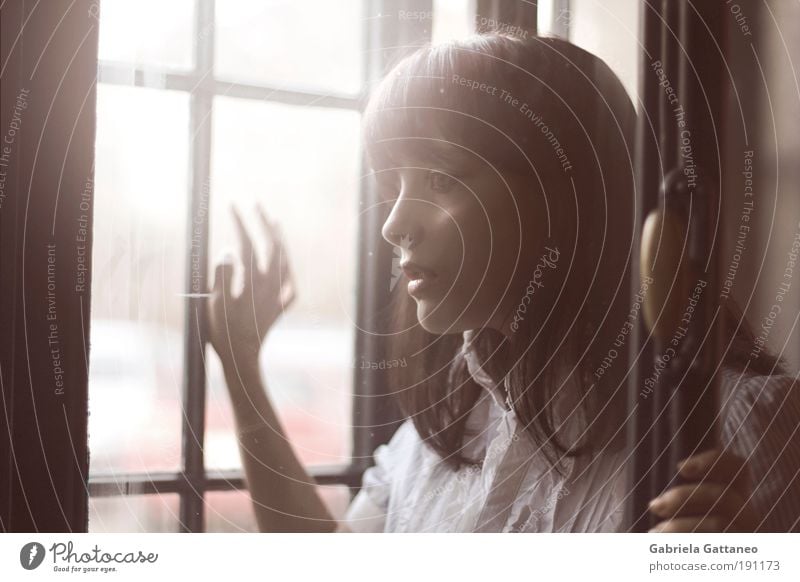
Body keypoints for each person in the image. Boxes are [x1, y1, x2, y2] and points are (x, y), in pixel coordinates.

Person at [206, 34, 800, 533]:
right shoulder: (442, 436)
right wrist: (241, 368)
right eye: (393, 186)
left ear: (564, 197)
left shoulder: (749, 425)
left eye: (439, 178)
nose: (393, 224)